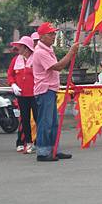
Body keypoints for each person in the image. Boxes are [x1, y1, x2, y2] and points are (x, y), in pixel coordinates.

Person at [32, 22, 79, 162]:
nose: (53, 36)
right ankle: (43, 150)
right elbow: (58, 67)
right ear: (42, 36)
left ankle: (53, 148)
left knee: (53, 122)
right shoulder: (40, 52)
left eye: (54, 33)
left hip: (50, 89)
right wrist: (71, 53)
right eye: (50, 34)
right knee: (46, 121)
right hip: (44, 90)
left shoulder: (48, 49)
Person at [8, 36, 38, 153]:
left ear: (26, 48)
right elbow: (10, 74)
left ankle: (39, 142)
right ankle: (28, 142)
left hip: (35, 94)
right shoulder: (16, 60)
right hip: (22, 95)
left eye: (20, 46)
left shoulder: (36, 58)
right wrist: (13, 84)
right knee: (25, 119)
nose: (18, 49)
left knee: (38, 118)